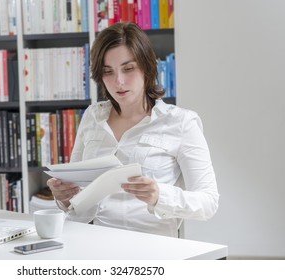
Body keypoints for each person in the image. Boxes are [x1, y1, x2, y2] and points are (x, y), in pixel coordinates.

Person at [47, 22, 219, 238]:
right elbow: (77, 200)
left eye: (128, 69)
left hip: (154, 249)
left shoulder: (181, 122)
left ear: (147, 67)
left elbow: (209, 202)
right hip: (93, 242)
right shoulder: (93, 116)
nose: (119, 81)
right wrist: (64, 196)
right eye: (108, 72)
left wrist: (159, 195)